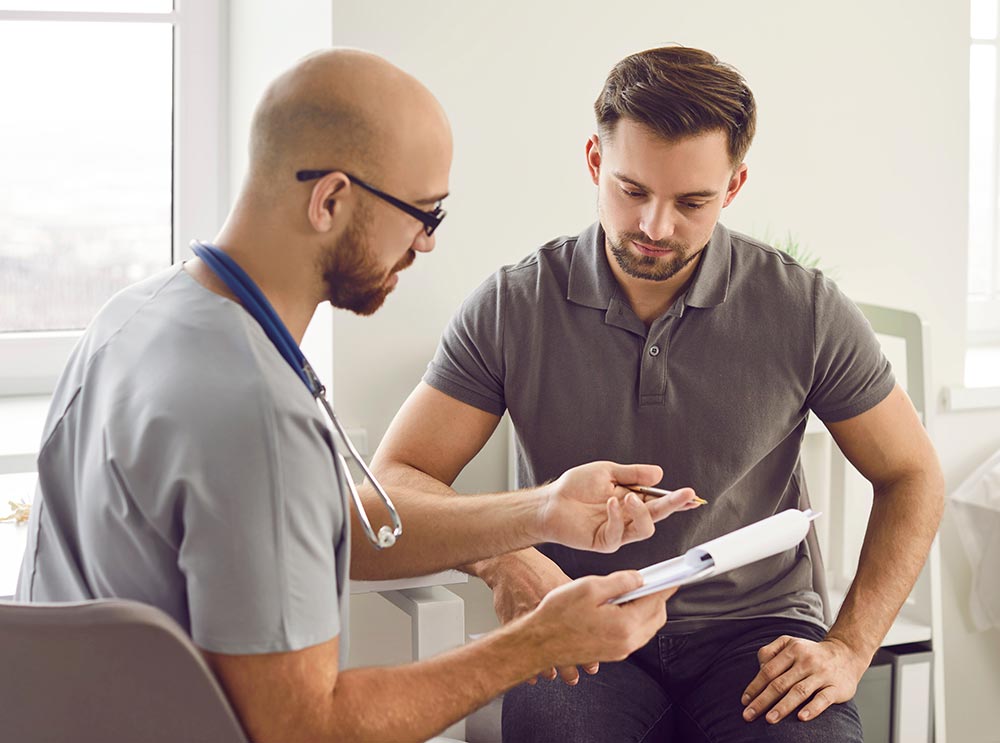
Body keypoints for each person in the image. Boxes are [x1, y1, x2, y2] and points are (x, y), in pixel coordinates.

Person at [15, 49, 707, 742]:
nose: (427, 244)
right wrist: (537, 642)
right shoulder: (256, 414)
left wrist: (543, 511)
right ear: (331, 200)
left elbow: (319, 527)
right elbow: (307, 729)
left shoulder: (134, 318)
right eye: (425, 214)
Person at [371, 45, 946, 741]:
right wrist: (503, 557)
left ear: (733, 187)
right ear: (594, 162)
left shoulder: (805, 308)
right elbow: (396, 481)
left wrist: (849, 648)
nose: (655, 227)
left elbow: (912, 473)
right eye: (632, 190)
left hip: (756, 633)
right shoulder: (512, 305)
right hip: (580, 623)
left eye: (692, 201)